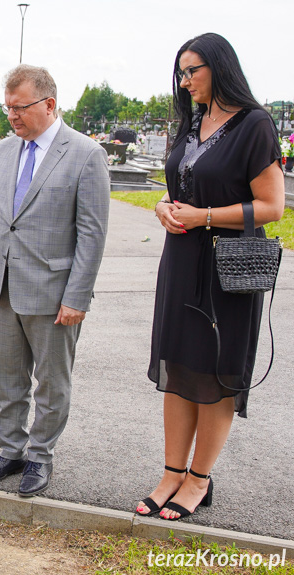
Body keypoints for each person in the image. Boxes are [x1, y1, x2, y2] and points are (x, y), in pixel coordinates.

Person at [139, 33, 284, 521]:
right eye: (179, 73)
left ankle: (199, 480)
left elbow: (272, 207)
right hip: (180, 259)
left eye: (191, 71)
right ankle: (170, 473)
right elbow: (175, 187)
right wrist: (163, 207)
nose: (184, 81)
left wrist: (203, 216)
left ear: (219, 67)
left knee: (216, 372)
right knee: (178, 366)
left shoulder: (255, 125)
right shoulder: (191, 121)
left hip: (228, 263)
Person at [0, 64, 110, 496]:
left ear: (49, 104)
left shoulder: (86, 154)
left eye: (20, 107)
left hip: (54, 294)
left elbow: (92, 233)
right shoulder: (6, 150)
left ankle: (39, 457)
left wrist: (78, 296)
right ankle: (10, 451)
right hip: (4, 288)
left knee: (51, 384)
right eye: (7, 107)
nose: (12, 116)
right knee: (8, 380)